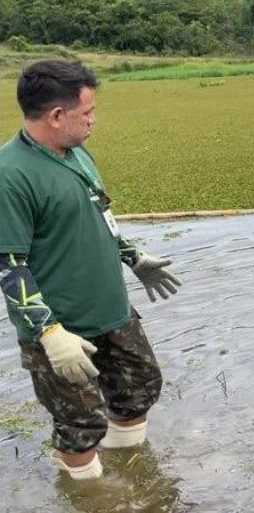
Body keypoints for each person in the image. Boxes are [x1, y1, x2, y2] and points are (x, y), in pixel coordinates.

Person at [0, 60, 182, 481]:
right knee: (79, 427)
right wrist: (49, 333)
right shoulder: (11, 175)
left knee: (139, 390)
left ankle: (135, 478)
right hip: (64, 329)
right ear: (57, 116)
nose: (94, 121)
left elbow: (100, 210)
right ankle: (91, 497)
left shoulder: (78, 154)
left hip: (111, 310)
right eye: (87, 113)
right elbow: (9, 265)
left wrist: (132, 256)